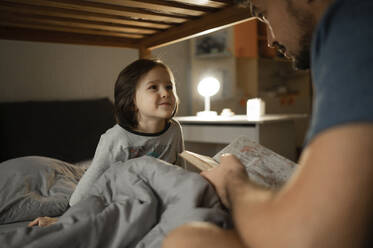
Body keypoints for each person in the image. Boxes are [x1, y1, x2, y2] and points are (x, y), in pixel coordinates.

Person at [162, 0, 373, 247]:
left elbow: (305, 237)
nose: (271, 40)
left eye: (264, 15)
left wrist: (234, 183)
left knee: (186, 241)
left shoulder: (354, 18)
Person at [28, 58, 185, 227]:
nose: (165, 93)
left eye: (169, 86)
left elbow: (180, 165)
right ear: (132, 102)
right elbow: (95, 174)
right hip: (122, 194)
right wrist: (66, 217)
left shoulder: (174, 129)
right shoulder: (118, 138)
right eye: (153, 87)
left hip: (158, 192)